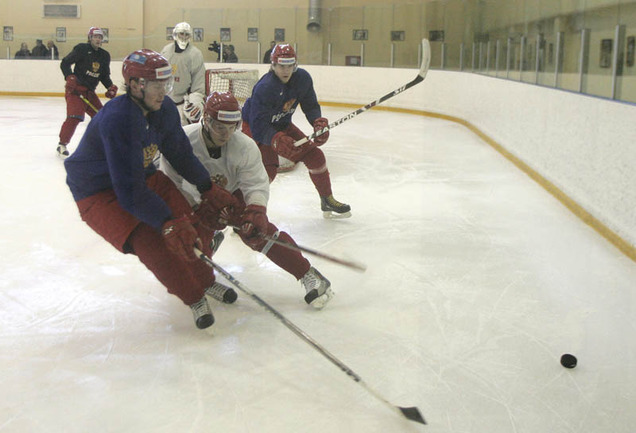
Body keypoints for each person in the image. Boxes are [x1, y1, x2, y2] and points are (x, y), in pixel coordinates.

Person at [64, 49, 241, 330]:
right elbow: (128, 191)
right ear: (135, 85)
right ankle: (193, 297)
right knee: (152, 243)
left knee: (188, 225)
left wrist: (207, 187)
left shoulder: (165, 109)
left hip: (141, 178)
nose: (164, 92)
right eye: (157, 85)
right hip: (98, 192)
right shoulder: (118, 119)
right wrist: (166, 222)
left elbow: (179, 153)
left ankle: (206, 281)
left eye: (166, 84)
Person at [160, 92, 334, 309]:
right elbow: (171, 182)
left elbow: (255, 184)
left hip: (234, 192)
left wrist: (256, 211)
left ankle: (308, 274)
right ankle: (205, 276)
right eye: (219, 127)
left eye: (232, 127)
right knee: (190, 237)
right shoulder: (182, 140)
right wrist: (196, 206)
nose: (226, 134)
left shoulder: (244, 146)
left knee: (257, 234)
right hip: (194, 196)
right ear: (206, 120)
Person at [242, 44, 351, 219]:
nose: (286, 70)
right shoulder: (265, 87)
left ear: (295, 64)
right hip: (257, 128)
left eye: (290, 65)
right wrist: (275, 139)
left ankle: (327, 200)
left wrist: (317, 122)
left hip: (282, 124)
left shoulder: (302, 79)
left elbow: (311, 105)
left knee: (315, 157)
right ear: (273, 65)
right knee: (267, 171)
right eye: (281, 66)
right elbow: (257, 125)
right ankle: (243, 209)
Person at [57, 27, 118, 158]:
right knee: (75, 116)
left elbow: (104, 76)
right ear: (90, 38)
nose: (98, 39)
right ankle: (62, 144)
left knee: (101, 117)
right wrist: (69, 77)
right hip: (76, 90)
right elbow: (65, 63)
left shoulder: (104, 55)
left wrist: (110, 87)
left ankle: (102, 145)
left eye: (100, 37)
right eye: (95, 37)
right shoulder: (81, 49)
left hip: (90, 92)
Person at [161, 22, 206, 125]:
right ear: (175, 34)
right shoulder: (166, 51)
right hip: (164, 103)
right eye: (181, 34)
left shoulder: (195, 54)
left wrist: (195, 103)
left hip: (183, 106)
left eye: (186, 34)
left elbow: (198, 86)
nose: (184, 37)